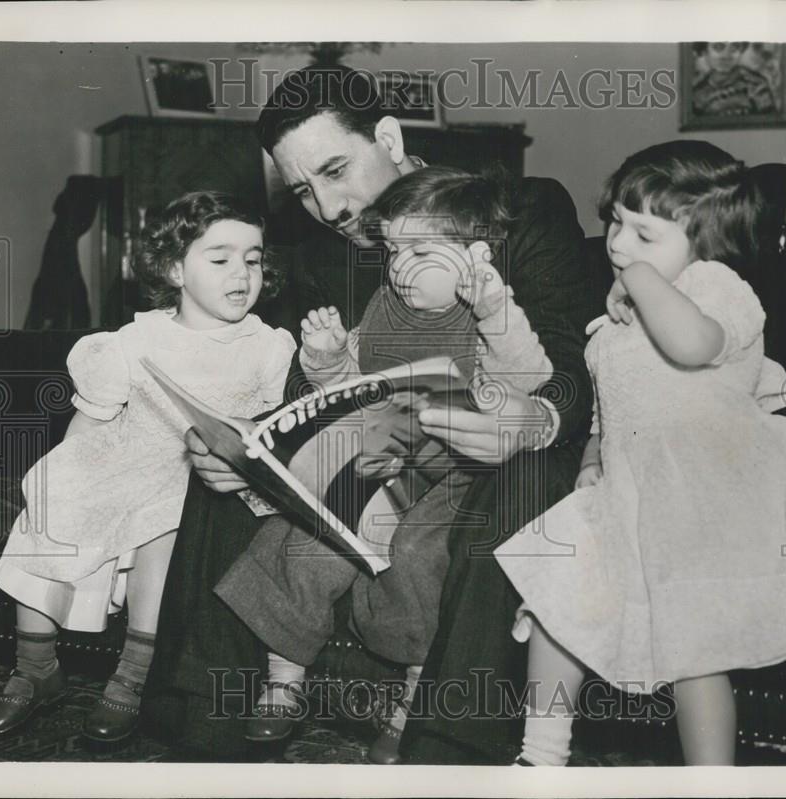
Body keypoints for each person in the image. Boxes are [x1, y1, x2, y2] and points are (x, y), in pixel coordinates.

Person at [142, 65, 597, 764]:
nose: (327, 206)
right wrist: (252, 449)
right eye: (302, 188)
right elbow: (314, 391)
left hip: (513, 440)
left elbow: (567, 360)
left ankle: (446, 746)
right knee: (227, 467)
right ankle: (205, 730)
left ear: (387, 136)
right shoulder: (328, 255)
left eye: (334, 169)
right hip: (390, 445)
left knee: (516, 484)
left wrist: (533, 418)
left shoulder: (520, 205)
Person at [494, 141, 786, 765]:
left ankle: (712, 777)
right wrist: (593, 454)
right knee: (555, 600)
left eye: (645, 236)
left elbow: (690, 345)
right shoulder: (619, 321)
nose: (620, 245)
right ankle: (540, 755)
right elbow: (609, 404)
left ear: (704, 246)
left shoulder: (720, 290)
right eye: (616, 224)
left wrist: (645, 286)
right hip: (631, 494)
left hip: (706, 500)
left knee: (693, 655)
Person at [214, 166, 554, 764]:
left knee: (423, 555)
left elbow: (529, 379)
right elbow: (358, 387)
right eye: (394, 249)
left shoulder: (491, 312)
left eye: (420, 250)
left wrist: (495, 307)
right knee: (306, 532)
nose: (399, 266)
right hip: (380, 445)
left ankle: (412, 701)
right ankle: (283, 678)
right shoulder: (387, 301)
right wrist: (326, 360)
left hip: (457, 466)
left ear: (475, 258)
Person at [0, 192, 294, 743]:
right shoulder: (133, 340)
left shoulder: (268, 347)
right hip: (128, 456)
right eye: (220, 259)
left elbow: (274, 436)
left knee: (168, 518)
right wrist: (70, 473)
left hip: (202, 477)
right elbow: (90, 425)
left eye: (254, 258)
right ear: (176, 268)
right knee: (57, 492)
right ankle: (35, 668)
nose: (242, 273)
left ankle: (132, 675)